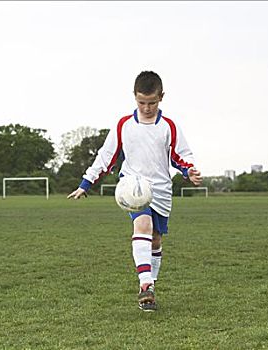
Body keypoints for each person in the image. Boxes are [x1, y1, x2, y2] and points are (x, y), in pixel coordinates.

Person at [67, 71, 203, 311]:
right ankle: (144, 285)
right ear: (134, 97)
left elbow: (180, 155)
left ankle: (151, 286)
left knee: (156, 239)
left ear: (161, 97)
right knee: (142, 226)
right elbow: (106, 156)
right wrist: (86, 183)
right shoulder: (124, 125)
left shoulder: (169, 126)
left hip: (160, 189)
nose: (147, 107)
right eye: (142, 102)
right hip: (132, 186)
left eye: (152, 102)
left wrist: (189, 170)